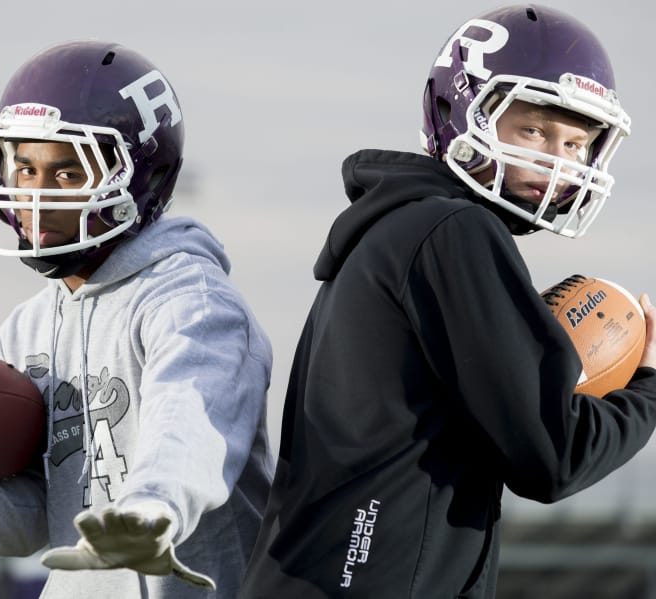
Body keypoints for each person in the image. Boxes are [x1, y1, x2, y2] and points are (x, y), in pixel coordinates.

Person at [238, 5, 656, 598]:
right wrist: (646, 392)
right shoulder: (454, 231)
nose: (560, 160)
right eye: (534, 130)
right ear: (458, 112)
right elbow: (552, 456)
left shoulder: (399, 229)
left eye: (577, 141)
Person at [0, 41, 274, 598]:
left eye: (67, 174)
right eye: (24, 167)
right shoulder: (28, 326)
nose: (35, 195)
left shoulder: (192, 301)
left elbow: (191, 426)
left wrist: (152, 507)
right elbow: (41, 518)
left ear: (139, 178)